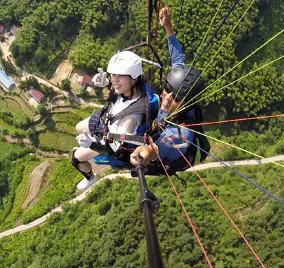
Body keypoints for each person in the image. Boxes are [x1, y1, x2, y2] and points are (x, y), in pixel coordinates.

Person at [130, 6, 210, 174]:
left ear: (186, 104)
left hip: (164, 155)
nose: (166, 96)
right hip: (159, 126)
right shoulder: (179, 84)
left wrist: (147, 152)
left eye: (176, 98)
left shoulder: (183, 133)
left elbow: (156, 149)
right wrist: (167, 26)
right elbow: (177, 59)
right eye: (167, 88)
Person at [72, 50, 156, 190]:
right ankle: (89, 141)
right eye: (113, 75)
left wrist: (93, 144)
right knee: (79, 127)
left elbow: (116, 149)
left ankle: (90, 178)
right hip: (108, 120)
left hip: (108, 138)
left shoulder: (131, 118)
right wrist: (106, 84)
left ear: (134, 78)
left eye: (120, 76)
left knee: (76, 158)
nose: (115, 80)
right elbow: (117, 88)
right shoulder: (131, 89)